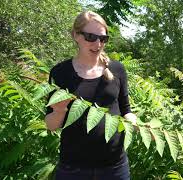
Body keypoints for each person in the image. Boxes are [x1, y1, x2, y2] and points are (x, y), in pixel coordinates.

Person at [44, 11, 136, 180]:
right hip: (74, 168)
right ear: (75, 35)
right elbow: (50, 125)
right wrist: (59, 111)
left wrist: (135, 123)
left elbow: (126, 109)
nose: (98, 43)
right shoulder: (60, 73)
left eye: (103, 38)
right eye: (90, 37)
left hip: (114, 167)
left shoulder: (117, 70)